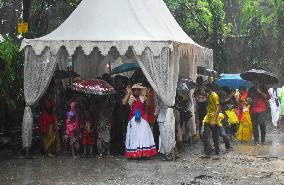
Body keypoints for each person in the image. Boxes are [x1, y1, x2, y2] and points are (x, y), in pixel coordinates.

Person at [123, 83, 157, 159]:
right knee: (135, 135)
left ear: (140, 90)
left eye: (137, 89)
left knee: (143, 135)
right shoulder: (130, 97)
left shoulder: (143, 97)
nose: (136, 91)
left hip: (142, 117)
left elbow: (148, 104)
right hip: (134, 117)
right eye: (134, 89)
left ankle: (144, 153)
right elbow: (123, 102)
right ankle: (135, 153)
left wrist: (148, 94)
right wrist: (128, 93)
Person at [202, 83, 222, 156]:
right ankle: (208, 152)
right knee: (205, 135)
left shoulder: (214, 96)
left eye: (206, 87)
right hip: (208, 118)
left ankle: (217, 152)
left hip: (213, 119)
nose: (204, 88)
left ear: (209, 88)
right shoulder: (209, 96)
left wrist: (214, 119)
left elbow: (218, 107)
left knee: (215, 136)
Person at [248, 79, 270, 145]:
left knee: (262, 124)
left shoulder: (263, 88)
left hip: (262, 109)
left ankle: (263, 139)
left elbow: (268, 97)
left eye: (256, 82)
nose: (255, 83)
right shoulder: (250, 89)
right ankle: (256, 140)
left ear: (258, 82)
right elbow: (247, 98)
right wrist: (248, 100)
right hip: (253, 110)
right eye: (253, 82)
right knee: (254, 125)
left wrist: (260, 92)